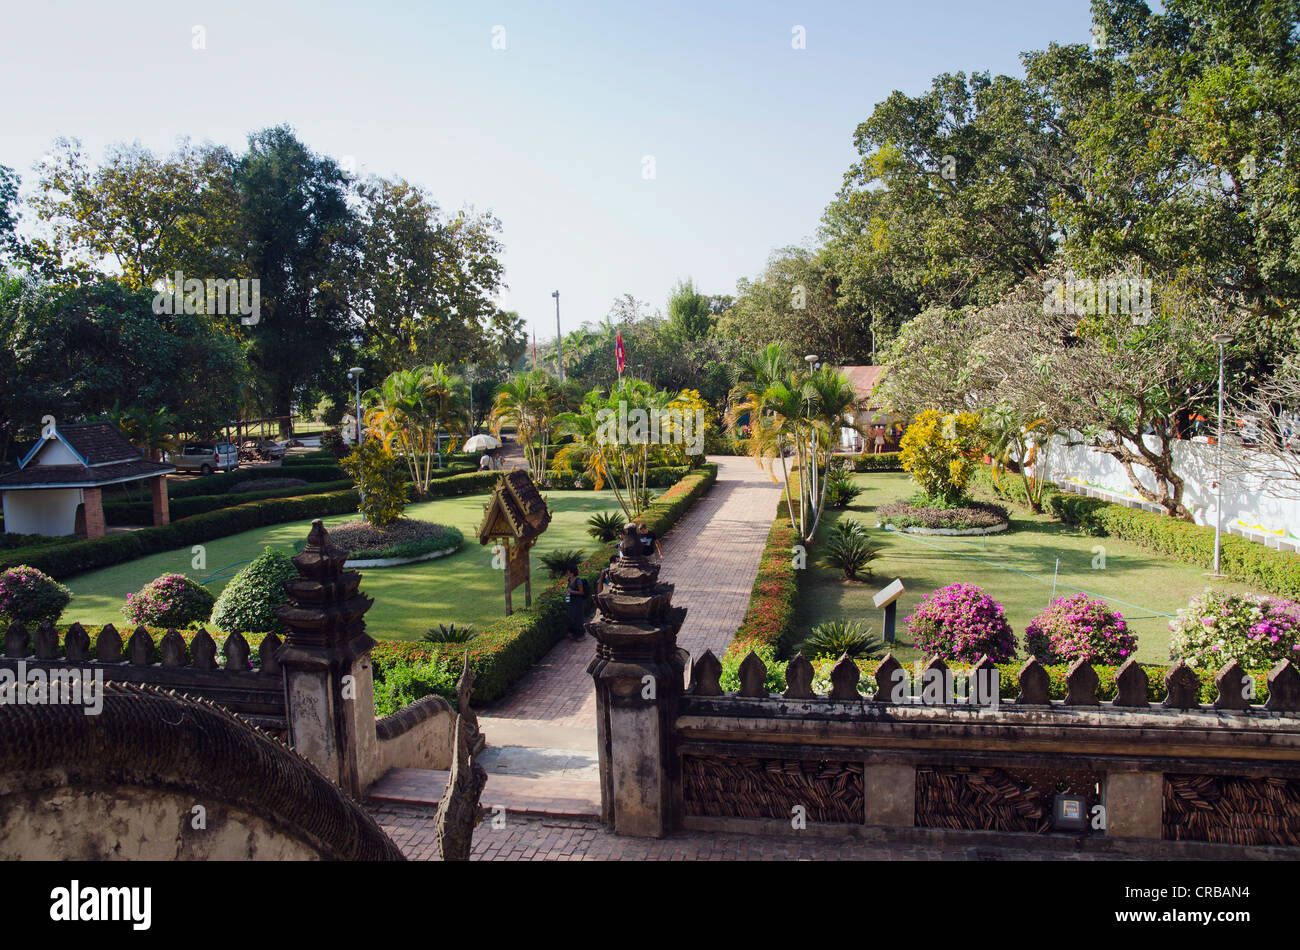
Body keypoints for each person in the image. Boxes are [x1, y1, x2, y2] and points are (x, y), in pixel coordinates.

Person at [564, 565, 590, 640]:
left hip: (577, 602)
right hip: (571, 601)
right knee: (571, 617)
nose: (567, 572)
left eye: (568, 571)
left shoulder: (578, 581)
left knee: (578, 617)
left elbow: (581, 592)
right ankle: (573, 633)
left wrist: (571, 591)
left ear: (572, 572)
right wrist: (567, 594)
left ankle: (581, 635)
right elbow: (568, 588)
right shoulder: (569, 579)